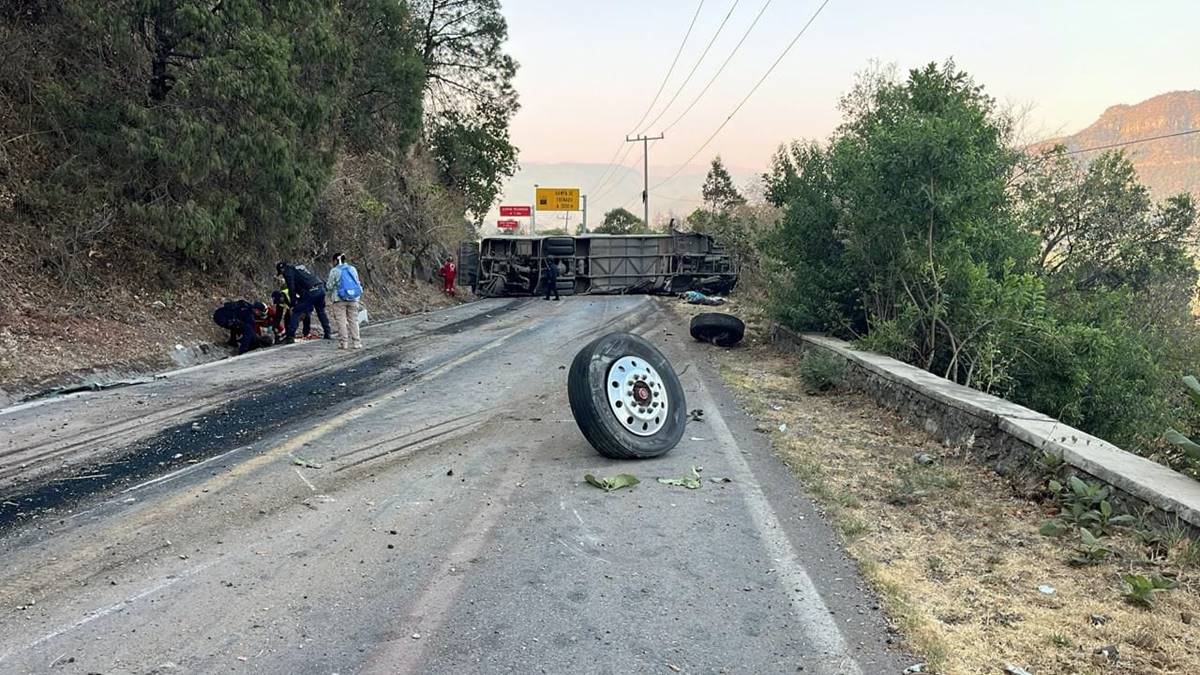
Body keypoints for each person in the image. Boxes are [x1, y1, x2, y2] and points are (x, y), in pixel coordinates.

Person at [276, 261, 332, 343]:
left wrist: (293, 304)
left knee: (296, 311)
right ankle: (328, 333)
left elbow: (292, 289)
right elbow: (310, 279)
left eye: (281, 273)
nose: (282, 275)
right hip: (321, 288)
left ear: (282, 269)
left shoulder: (288, 272)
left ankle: (290, 336)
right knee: (321, 311)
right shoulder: (300, 267)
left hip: (311, 291)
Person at [326, 253, 364, 350]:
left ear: (335, 261)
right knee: (354, 321)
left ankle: (344, 343)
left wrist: (330, 294)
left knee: (341, 321)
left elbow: (329, 286)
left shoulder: (334, 271)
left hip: (339, 300)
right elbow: (357, 282)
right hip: (354, 298)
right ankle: (356, 342)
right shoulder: (352, 269)